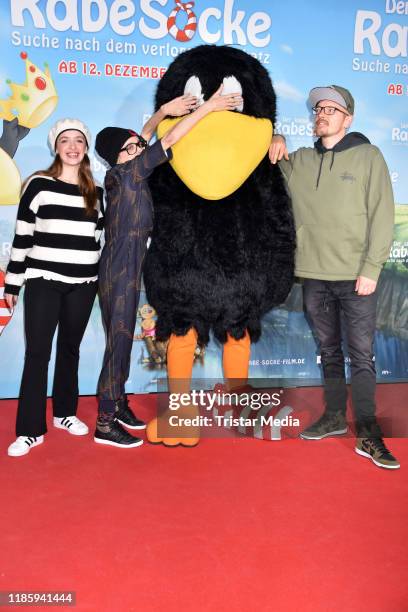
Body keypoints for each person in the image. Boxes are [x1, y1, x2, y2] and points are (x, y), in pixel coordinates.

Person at [94, 86, 243, 449]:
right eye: (132, 149)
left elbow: (144, 136)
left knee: (123, 340)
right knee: (118, 342)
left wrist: (160, 112)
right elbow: (171, 138)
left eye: (139, 146)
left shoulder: (127, 171)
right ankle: (105, 421)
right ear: (119, 157)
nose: (141, 149)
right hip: (119, 267)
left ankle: (119, 403)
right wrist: (208, 107)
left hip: (128, 264)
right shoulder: (126, 175)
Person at [269, 84, 399, 469]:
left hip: (356, 277)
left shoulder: (368, 156)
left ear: (348, 118)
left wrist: (371, 269)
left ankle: (369, 434)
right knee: (328, 352)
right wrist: (274, 136)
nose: (322, 114)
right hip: (314, 276)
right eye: (318, 109)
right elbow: (269, 159)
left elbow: (382, 214)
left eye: (331, 109)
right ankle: (334, 417)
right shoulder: (303, 160)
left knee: (361, 356)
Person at [4, 119, 104, 457]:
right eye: (65, 141)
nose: (73, 146)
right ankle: (30, 430)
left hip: (84, 285)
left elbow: (99, 242)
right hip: (43, 281)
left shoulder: (97, 192)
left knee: (70, 351)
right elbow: (22, 236)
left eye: (79, 140)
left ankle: (64, 413)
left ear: (86, 147)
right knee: (37, 354)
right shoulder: (38, 185)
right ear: (56, 147)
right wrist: (13, 282)